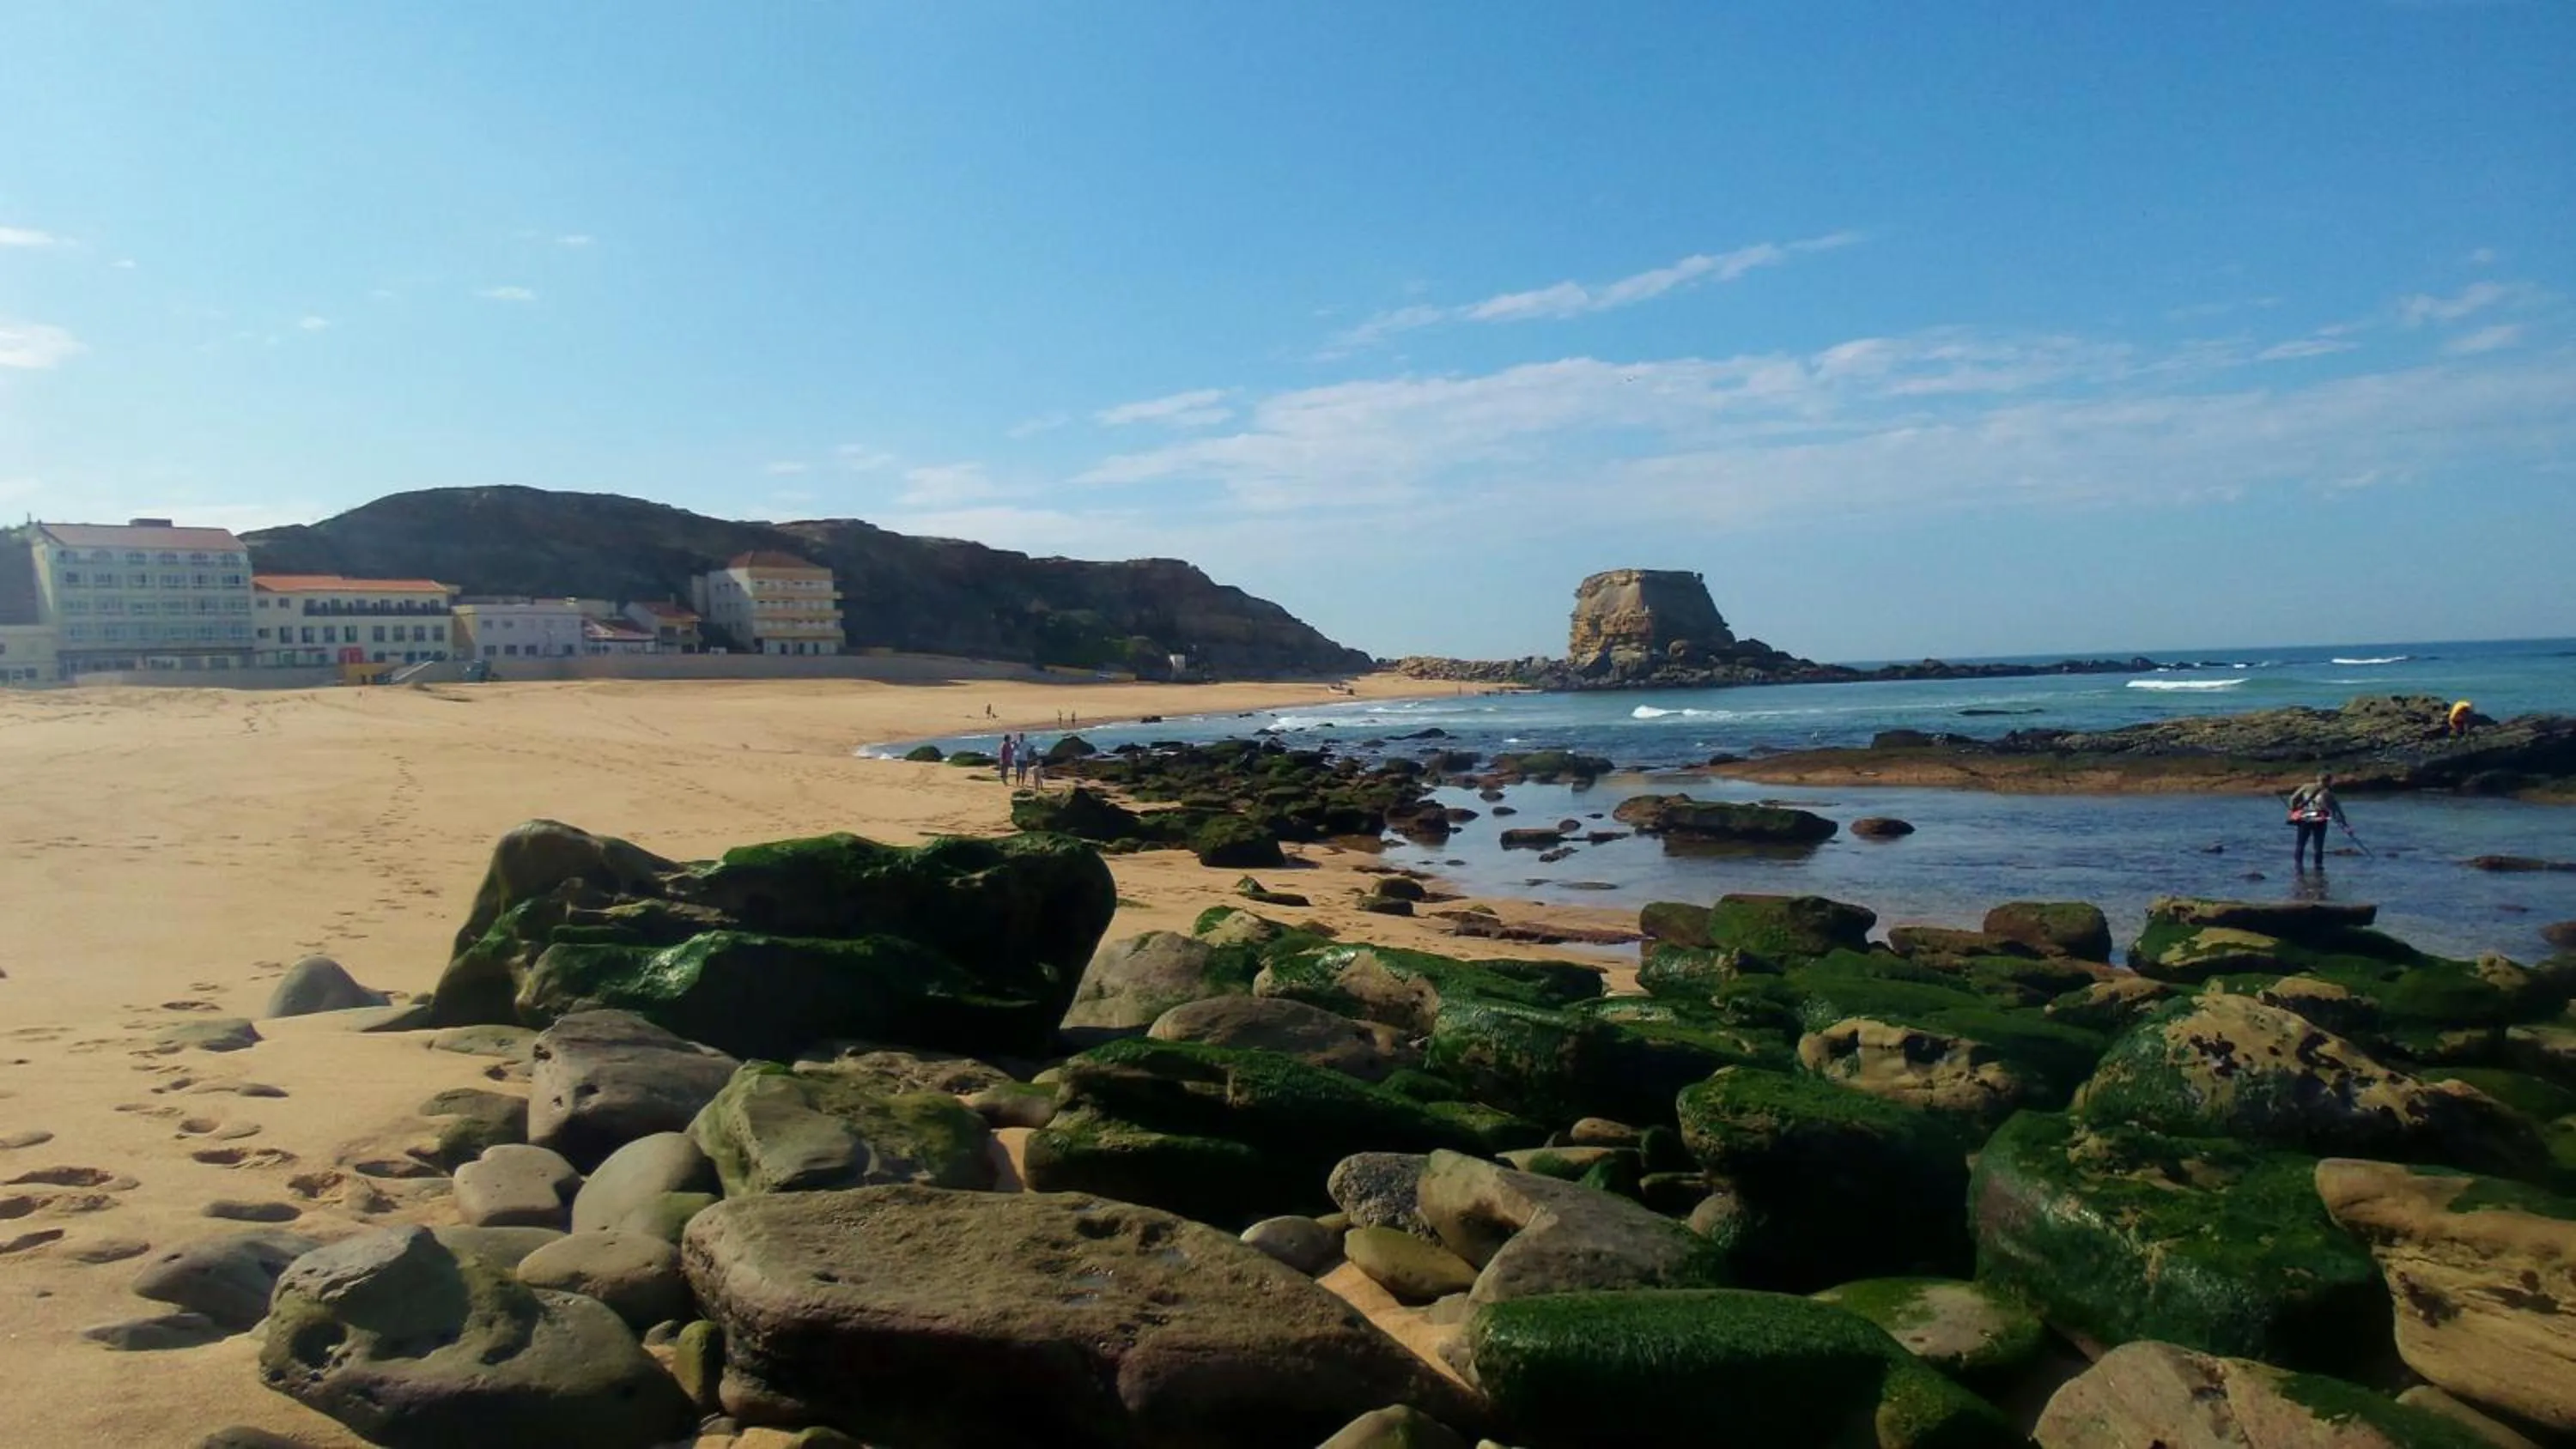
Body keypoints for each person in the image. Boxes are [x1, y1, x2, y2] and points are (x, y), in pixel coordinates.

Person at [2287, 772, 2347, 870]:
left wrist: (2293, 809)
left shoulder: (2307, 787)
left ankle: (2298, 866)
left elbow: (2292, 798)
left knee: (2301, 843)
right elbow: (2336, 809)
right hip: (2320, 819)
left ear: (2318, 779)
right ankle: (2318, 867)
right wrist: (2343, 823)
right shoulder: (2328, 793)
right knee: (2318, 845)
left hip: (2305, 817)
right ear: (2329, 781)